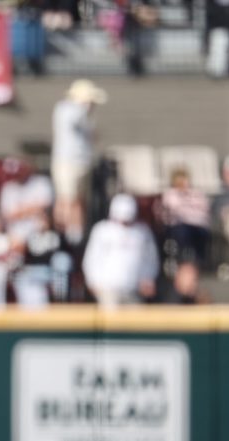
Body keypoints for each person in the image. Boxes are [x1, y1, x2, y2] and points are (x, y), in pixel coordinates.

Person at [52, 79, 107, 245]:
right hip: (67, 163)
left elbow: (93, 135)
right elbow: (75, 121)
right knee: (66, 199)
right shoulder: (66, 109)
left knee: (79, 200)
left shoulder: (84, 116)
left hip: (82, 163)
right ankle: (63, 237)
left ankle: (76, 237)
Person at [81, 193, 159, 307]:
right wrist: (92, 281)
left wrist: (148, 278)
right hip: (108, 290)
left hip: (134, 289)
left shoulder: (143, 232)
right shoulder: (102, 230)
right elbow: (91, 258)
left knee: (137, 322)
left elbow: (151, 259)